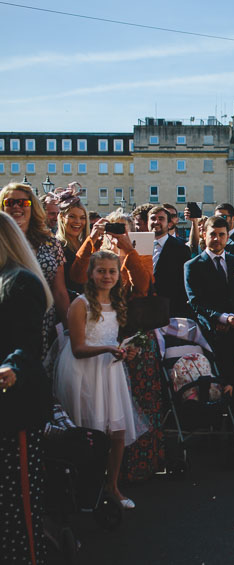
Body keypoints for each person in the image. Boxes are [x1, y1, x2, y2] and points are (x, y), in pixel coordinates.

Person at [71, 209, 162, 482]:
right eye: (113, 229)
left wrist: (128, 249)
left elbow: (144, 286)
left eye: (123, 229)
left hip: (132, 332)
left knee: (135, 404)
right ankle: (95, 475)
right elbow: (76, 276)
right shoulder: (97, 248)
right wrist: (91, 240)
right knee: (98, 407)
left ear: (132, 231)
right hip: (100, 334)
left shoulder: (139, 245)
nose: (116, 235)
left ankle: (132, 468)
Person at [54, 251, 145, 509]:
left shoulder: (118, 303)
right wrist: (108, 349)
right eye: (101, 271)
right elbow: (78, 349)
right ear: (90, 274)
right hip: (83, 373)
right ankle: (85, 490)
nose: (107, 276)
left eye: (112, 271)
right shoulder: (80, 304)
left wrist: (125, 351)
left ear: (118, 275)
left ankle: (112, 486)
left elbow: (112, 339)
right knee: (89, 431)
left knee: (117, 432)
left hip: (110, 371)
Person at [0, 212, 53, 564]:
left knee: (16, 504)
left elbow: (26, 346)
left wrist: (11, 367)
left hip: (14, 404)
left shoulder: (20, 283)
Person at [184, 216, 234, 420]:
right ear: (204, 235)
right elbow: (195, 301)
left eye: (221, 235)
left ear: (227, 236)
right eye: (212, 234)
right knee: (213, 387)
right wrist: (221, 318)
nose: (217, 239)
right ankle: (214, 430)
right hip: (210, 335)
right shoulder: (192, 265)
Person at [0, 182, 70, 358]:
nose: (16, 207)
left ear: (33, 207)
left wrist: (70, 329)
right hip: (7, 317)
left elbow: (59, 291)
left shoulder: (50, 242)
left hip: (43, 320)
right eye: (10, 203)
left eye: (23, 203)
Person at [149, 205, 192, 318]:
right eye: (153, 218)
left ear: (169, 224)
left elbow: (184, 284)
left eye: (161, 219)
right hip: (143, 307)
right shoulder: (137, 245)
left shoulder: (181, 249)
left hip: (170, 311)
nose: (156, 222)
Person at [53, 184, 90, 298]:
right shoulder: (57, 245)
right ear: (62, 218)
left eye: (82, 218)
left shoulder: (84, 245)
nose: (77, 222)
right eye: (72, 216)